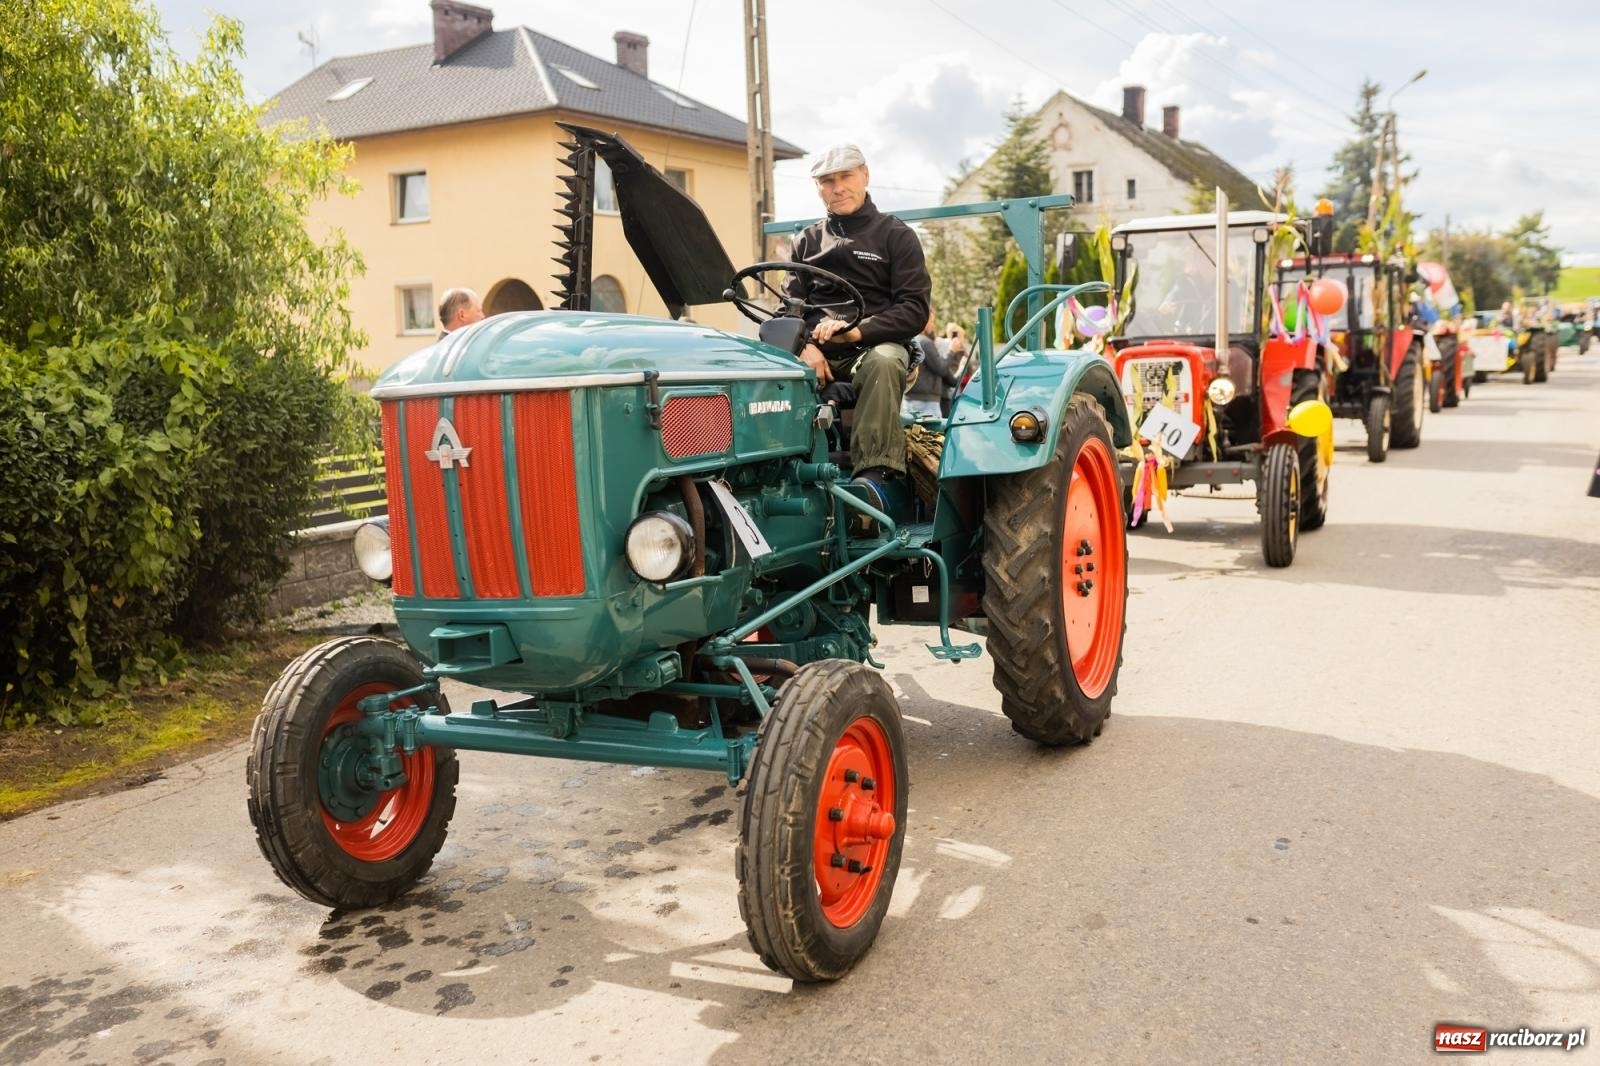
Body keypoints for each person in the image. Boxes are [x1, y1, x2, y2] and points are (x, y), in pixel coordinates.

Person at [782, 143, 931, 479]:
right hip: (815, 351)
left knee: (884, 360)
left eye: (846, 176)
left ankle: (874, 475)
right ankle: (775, 468)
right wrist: (804, 346)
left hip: (873, 346)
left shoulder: (896, 236)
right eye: (827, 181)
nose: (838, 188)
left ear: (865, 175)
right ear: (818, 188)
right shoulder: (805, 241)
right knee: (767, 366)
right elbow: (786, 310)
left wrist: (856, 331)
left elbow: (913, 310)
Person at [904, 311, 956, 421]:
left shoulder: (910, 340)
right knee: (931, 436)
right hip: (926, 404)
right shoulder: (925, 342)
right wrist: (951, 351)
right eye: (932, 321)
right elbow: (941, 369)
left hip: (910, 400)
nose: (933, 325)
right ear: (925, 322)